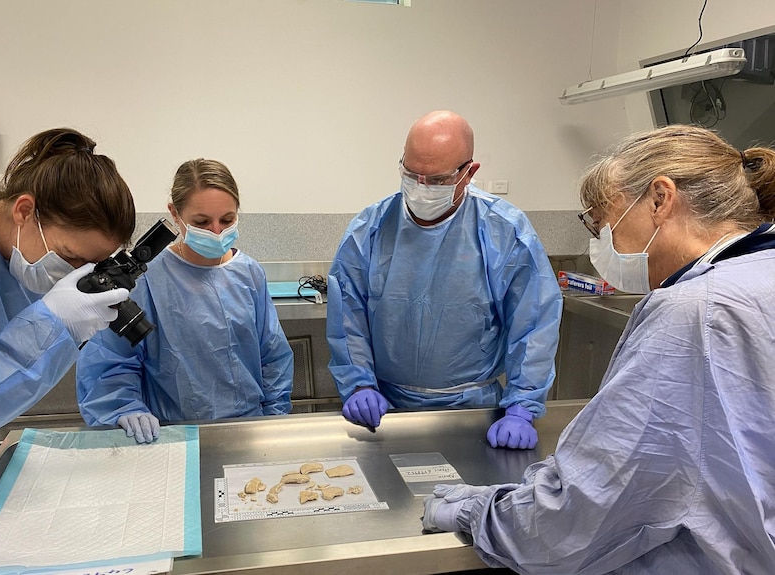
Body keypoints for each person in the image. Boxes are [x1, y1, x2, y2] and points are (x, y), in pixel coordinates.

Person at [422, 125, 775, 573]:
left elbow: (578, 514)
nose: (602, 241)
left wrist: (478, 512)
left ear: (660, 199)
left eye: (602, 221)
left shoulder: (692, 314)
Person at [0, 128, 136, 558]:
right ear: (24, 210)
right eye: (71, 259)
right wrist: (53, 325)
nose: (72, 273)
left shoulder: (7, 254)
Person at [326, 110, 562, 449]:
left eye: (436, 181)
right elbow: (348, 317)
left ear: (469, 173)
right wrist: (359, 384)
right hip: (385, 412)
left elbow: (534, 324)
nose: (421, 189)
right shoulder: (370, 230)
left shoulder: (504, 231)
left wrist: (522, 407)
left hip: (474, 413)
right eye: (411, 175)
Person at [76, 158, 294, 443]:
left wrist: (273, 420)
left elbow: (273, 356)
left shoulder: (249, 273)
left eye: (227, 220)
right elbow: (111, 361)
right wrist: (124, 408)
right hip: (171, 436)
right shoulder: (146, 281)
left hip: (249, 431)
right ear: (174, 214)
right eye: (201, 222)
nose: (217, 232)